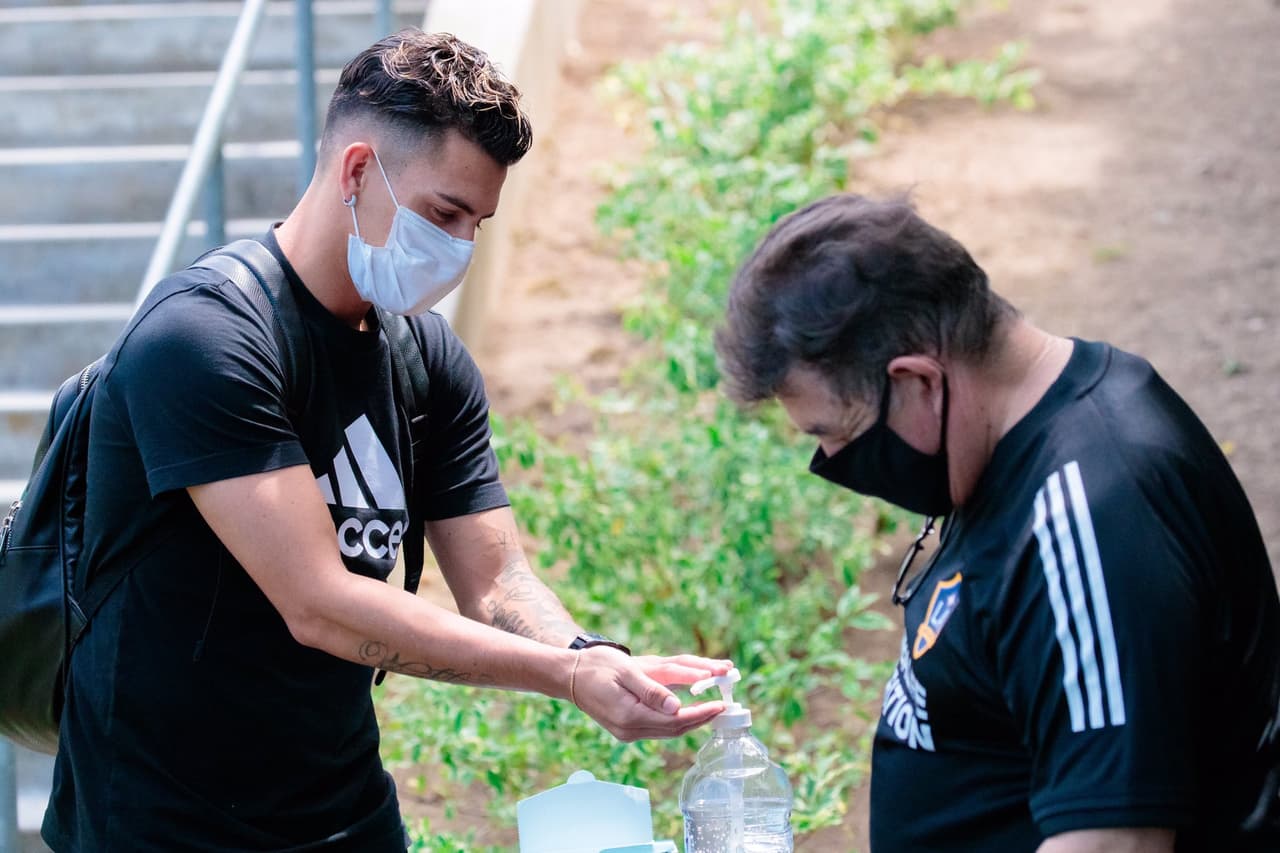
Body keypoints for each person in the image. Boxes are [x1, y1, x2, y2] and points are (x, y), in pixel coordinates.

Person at [42, 29, 730, 852]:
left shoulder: (426, 359)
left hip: (345, 814)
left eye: (478, 221)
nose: (461, 247)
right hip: (162, 824)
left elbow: (498, 579)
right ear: (359, 170)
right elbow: (318, 604)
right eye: (445, 212)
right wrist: (565, 677)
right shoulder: (202, 339)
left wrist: (587, 651)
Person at [714, 193, 1280, 852]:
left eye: (834, 433)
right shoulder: (1005, 449)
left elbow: (1112, 841)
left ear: (919, 380)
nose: (833, 461)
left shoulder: (1093, 517)